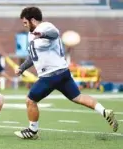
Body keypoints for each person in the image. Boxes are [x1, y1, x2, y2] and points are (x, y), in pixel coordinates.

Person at [14, 7, 118, 139]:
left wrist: (42, 34)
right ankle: (104, 111)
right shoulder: (32, 33)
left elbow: (54, 33)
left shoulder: (45, 27)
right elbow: (33, 56)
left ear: (33, 20)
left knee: (30, 100)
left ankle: (33, 131)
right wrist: (22, 67)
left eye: (25, 22)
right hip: (62, 73)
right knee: (78, 97)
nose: (24, 25)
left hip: (50, 76)